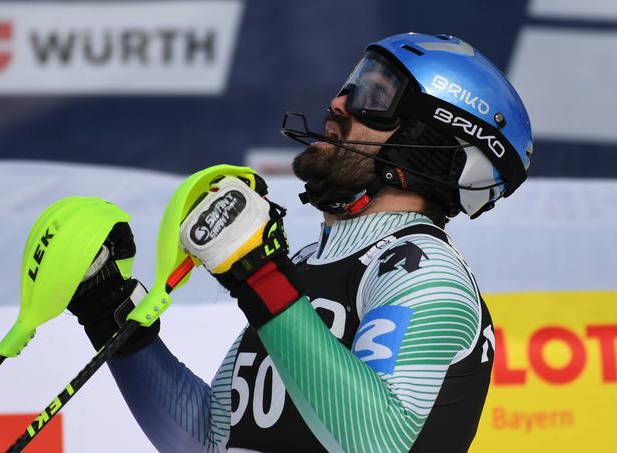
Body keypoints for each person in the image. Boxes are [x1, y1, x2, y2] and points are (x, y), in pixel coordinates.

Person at [67, 33, 532, 452]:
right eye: (354, 82)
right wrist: (108, 313)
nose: (339, 101)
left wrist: (261, 277)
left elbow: (380, 442)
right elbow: (209, 442)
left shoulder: (427, 272)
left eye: (377, 95)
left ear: (427, 143)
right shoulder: (306, 266)